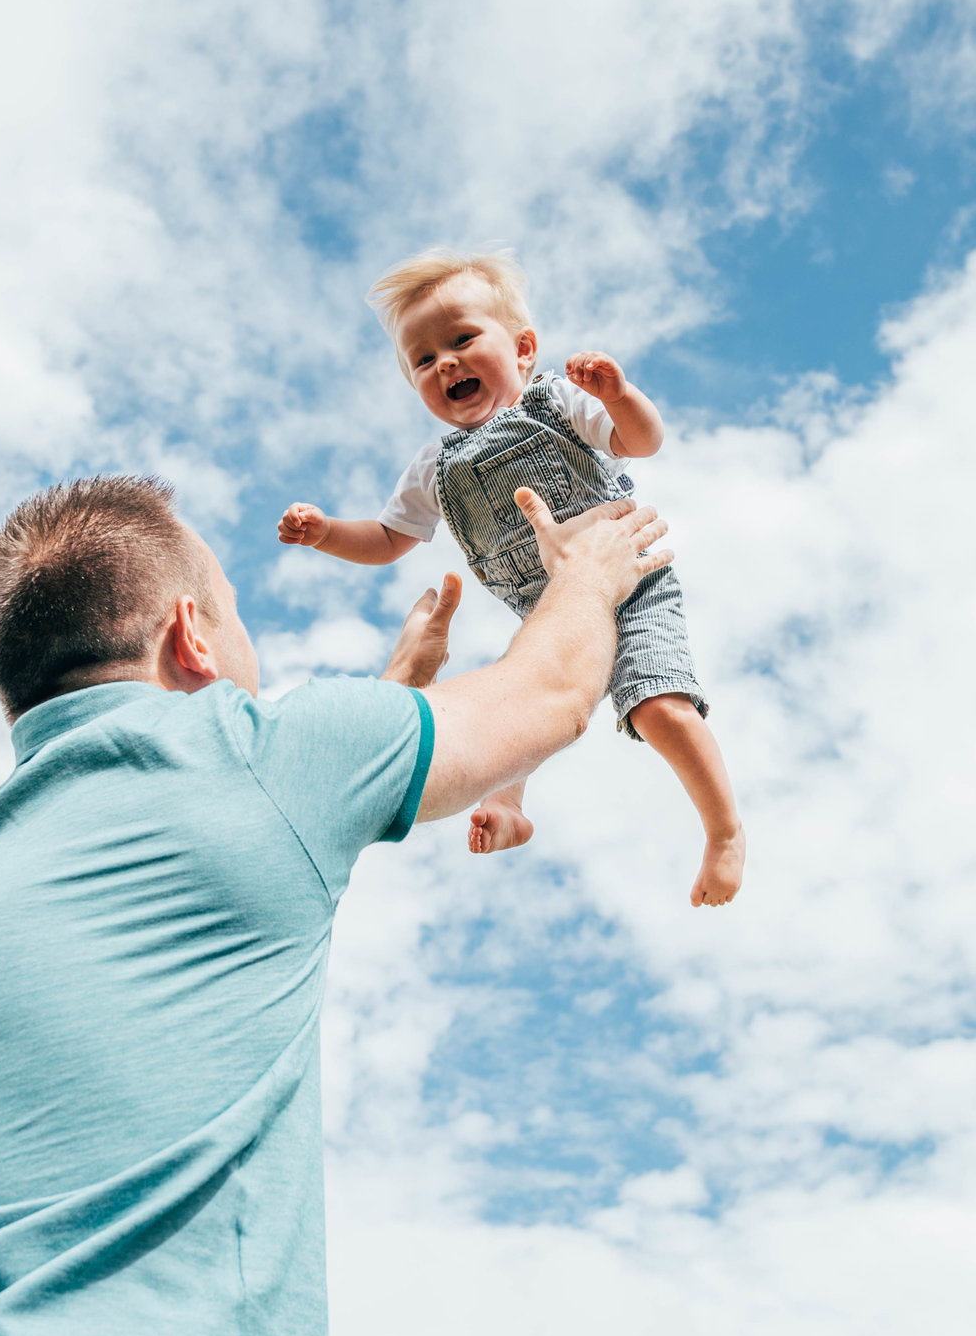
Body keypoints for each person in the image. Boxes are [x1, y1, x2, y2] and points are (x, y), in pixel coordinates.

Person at [0, 472, 670, 1336]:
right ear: (193, 636)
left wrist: (381, 722)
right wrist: (587, 574)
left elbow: (229, 872)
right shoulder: (256, 761)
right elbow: (550, 695)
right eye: (236, 615)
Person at [277, 249, 745, 906]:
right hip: (551, 611)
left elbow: (641, 442)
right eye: (423, 358)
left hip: (630, 586)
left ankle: (723, 830)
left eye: (463, 338)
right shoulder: (431, 467)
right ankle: (509, 808)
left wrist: (618, 395)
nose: (444, 361)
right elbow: (387, 540)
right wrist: (325, 531)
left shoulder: (554, 402)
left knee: (657, 706)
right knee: (510, 715)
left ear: (523, 349)